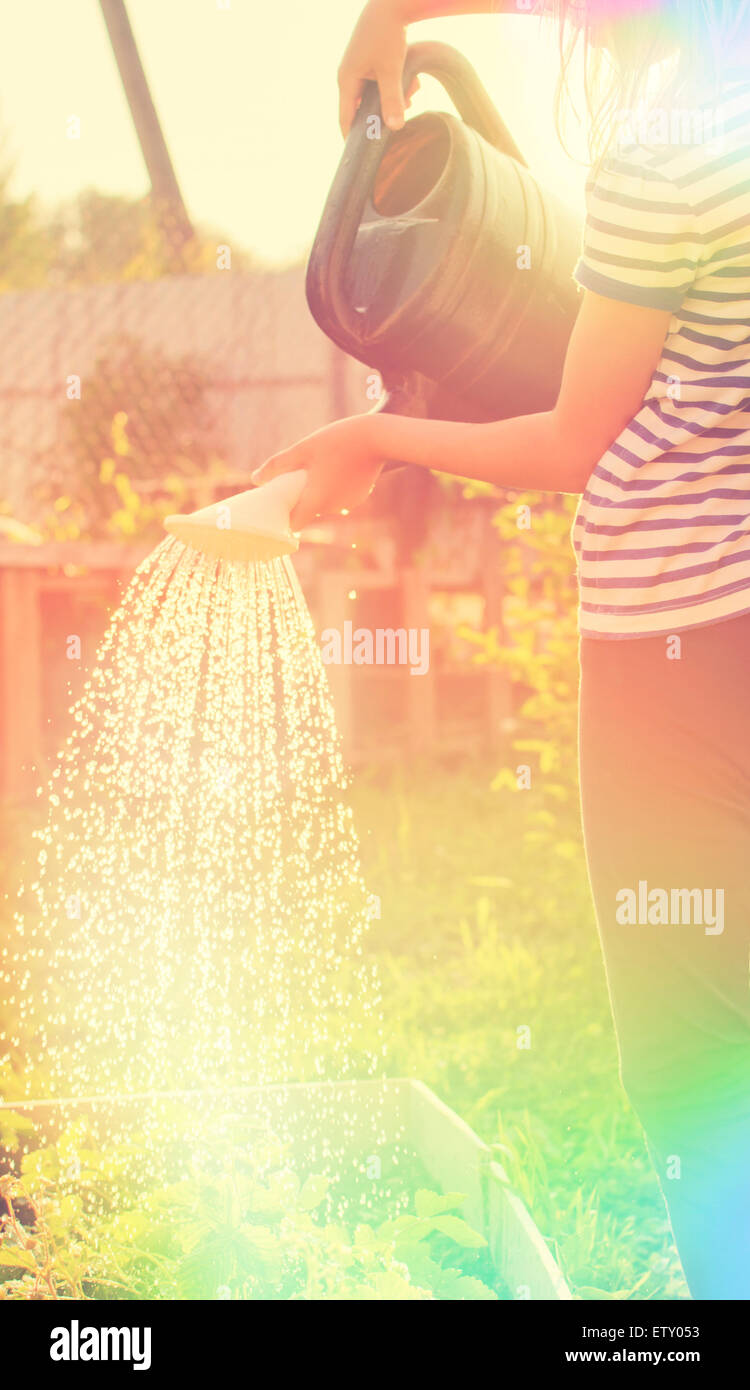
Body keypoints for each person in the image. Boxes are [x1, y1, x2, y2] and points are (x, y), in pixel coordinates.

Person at [253, 0, 750, 1299]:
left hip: (675, 650)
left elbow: (564, 444)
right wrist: (399, 14)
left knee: (691, 1052)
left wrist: (375, 440)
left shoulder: (659, 153)